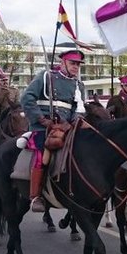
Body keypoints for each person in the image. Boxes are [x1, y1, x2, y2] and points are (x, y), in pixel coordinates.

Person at [21, 49, 87, 213]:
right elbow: (27, 98)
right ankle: (36, 196)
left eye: (78, 64)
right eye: (72, 63)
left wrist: (72, 122)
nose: (76, 67)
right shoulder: (45, 76)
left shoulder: (79, 85)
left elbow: (79, 108)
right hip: (43, 126)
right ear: (62, 62)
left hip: (66, 127)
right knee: (42, 155)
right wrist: (41, 119)